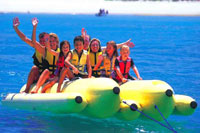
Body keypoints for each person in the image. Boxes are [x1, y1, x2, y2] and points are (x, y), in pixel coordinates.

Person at [13, 17, 48, 93]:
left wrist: (34, 27)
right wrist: (16, 28)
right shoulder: (38, 47)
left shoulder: (50, 49)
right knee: (34, 68)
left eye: (44, 41)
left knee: (38, 69)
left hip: (49, 74)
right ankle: (27, 89)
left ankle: (33, 89)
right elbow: (25, 38)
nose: (43, 42)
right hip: (39, 74)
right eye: (41, 41)